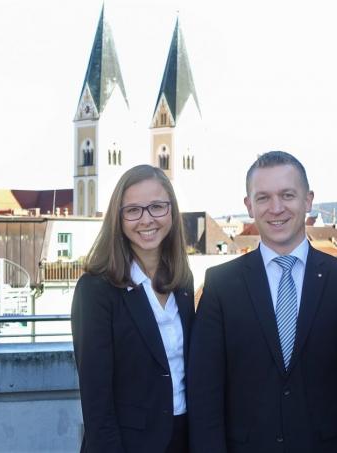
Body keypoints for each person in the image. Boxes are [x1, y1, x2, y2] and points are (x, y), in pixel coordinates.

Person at [187, 151, 337, 453]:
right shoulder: (221, 285)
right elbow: (204, 395)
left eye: (287, 195)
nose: (276, 208)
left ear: (308, 200)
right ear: (249, 206)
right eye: (263, 198)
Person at [71, 165, 195, 453]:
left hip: (184, 438)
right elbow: (96, 401)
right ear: (119, 218)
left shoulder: (182, 281)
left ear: (172, 211)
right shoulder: (96, 290)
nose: (146, 219)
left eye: (156, 207)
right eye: (133, 210)